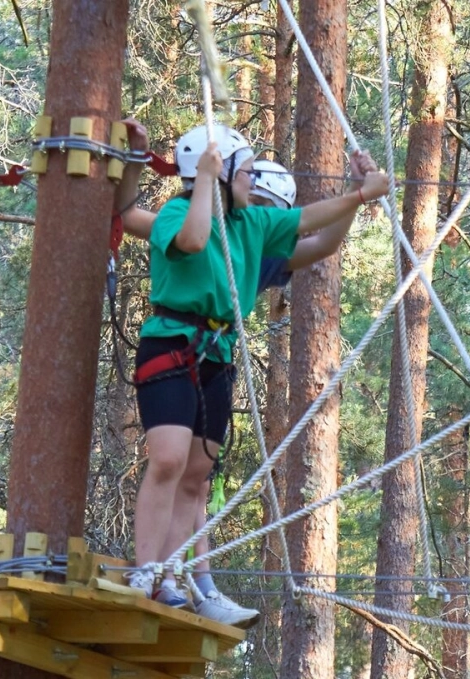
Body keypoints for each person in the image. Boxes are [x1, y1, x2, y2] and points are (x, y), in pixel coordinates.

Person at [118, 120, 389, 625]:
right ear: (218, 175)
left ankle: (172, 576)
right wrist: (202, 181)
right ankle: (147, 570)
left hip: (216, 354)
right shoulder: (179, 214)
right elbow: (196, 240)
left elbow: (312, 223)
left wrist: (358, 196)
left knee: (196, 476)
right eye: (244, 173)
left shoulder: (253, 229)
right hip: (173, 342)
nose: (251, 181)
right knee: (169, 460)